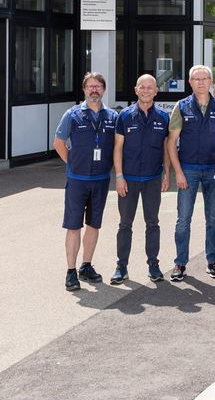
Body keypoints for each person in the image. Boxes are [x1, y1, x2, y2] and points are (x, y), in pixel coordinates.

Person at [53, 72, 119, 291]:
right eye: (90, 86)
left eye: (98, 86)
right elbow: (59, 142)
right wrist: (72, 163)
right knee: (73, 226)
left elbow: (118, 146)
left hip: (100, 180)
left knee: (93, 225)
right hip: (77, 180)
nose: (94, 90)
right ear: (84, 89)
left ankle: (86, 266)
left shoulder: (112, 116)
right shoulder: (72, 115)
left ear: (104, 90)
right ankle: (71, 271)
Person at [166, 65, 215, 282]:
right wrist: (178, 172)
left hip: (214, 170)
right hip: (188, 169)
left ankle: (213, 260)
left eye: (205, 79)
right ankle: (180, 262)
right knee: (183, 219)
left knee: (213, 218)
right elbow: (171, 142)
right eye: (196, 79)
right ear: (190, 82)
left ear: (211, 82)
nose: (201, 82)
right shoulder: (182, 106)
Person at [110, 74, 170, 285]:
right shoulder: (124, 116)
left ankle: (153, 265)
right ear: (136, 90)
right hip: (129, 179)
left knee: (152, 223)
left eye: (150, 87)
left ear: (156, 91)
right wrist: (119, 176)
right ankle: (121, 267)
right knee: (125, 224)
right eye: (142, 87)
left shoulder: (163, 117)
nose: (146, 91)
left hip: (153, 179)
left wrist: (167, 174)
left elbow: (166, 148)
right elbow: (118, 148)